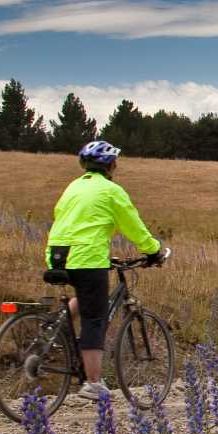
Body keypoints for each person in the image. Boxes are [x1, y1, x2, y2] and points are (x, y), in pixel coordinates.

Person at [45, 140, 169, 400]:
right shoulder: (111, 191)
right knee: (95, 319)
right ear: (110, 165)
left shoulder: (74, 187)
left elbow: (65, 219)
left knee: (86, 297)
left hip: (57, 255)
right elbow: (133, 226)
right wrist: (154, 251)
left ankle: (53, 328)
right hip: (88, 258)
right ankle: (92, 383)